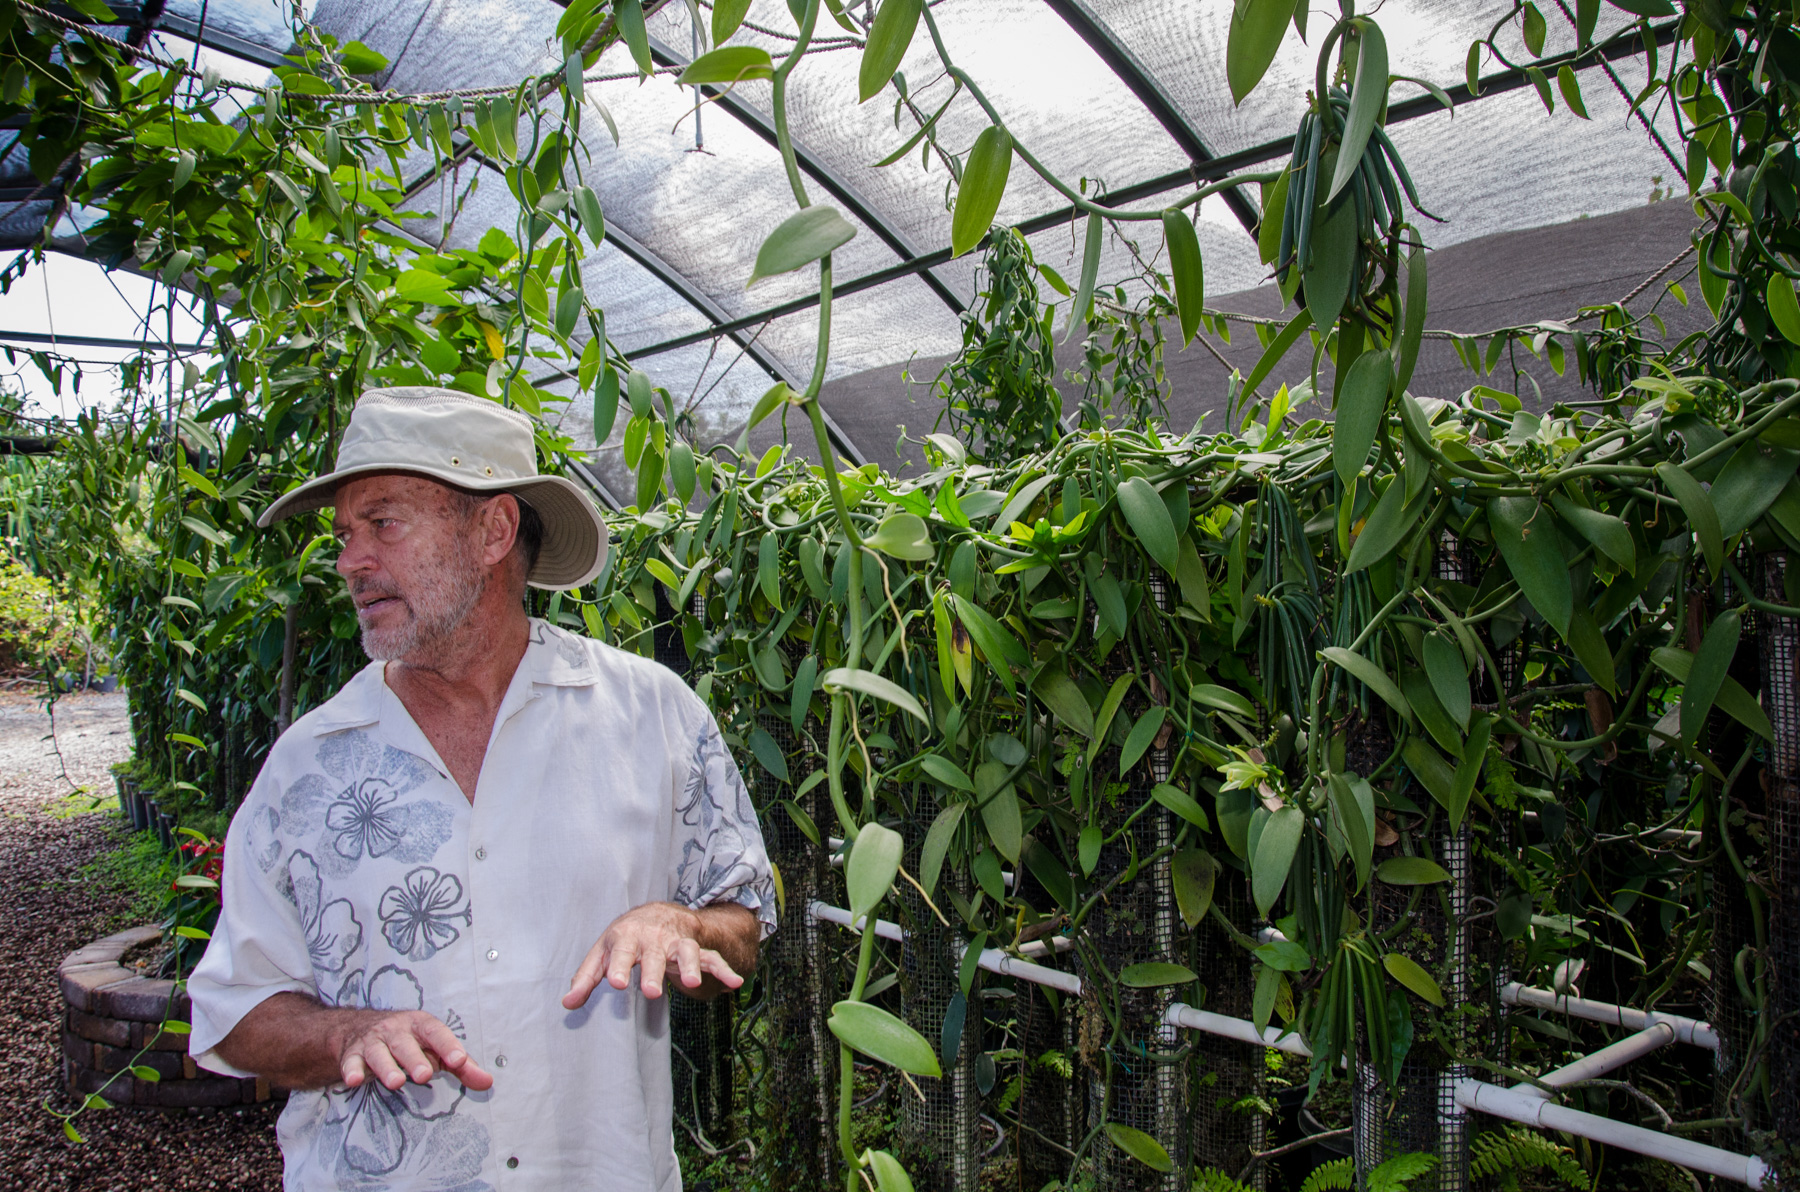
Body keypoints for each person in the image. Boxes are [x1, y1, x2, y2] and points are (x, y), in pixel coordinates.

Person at [186, 386, 775, 1191]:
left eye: (383, 524)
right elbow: (236, 1012)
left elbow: (743, 918)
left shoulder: (651, 716)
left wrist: (682, 923)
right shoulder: (310, 765)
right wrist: (344, 1034)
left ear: (494, 531)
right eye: (346, 535)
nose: (350, 561)